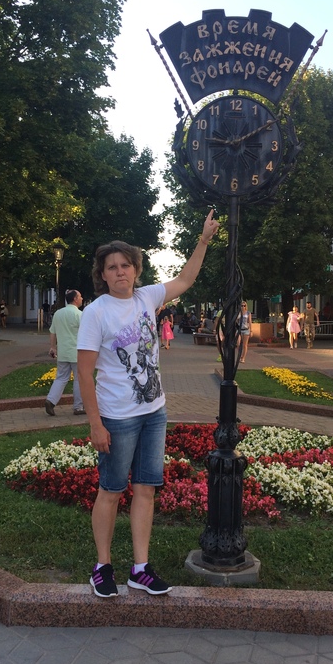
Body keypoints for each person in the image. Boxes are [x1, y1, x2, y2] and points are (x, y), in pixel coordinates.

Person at [77, 210, 219, 598]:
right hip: (117, 418)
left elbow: (185, 279)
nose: (120, 272)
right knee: (110, 491)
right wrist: (95, 424)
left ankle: (140, 569)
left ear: (136, 269)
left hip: (154, 413)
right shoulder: (95, 313)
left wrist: (203, 240)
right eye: (112, 267)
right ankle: (102, 567)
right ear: (103, 274)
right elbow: (84, 374)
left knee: (145, 490)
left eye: (125, 265)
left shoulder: (148, 297)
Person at [45, 289, 85, 416]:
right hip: (77, 353)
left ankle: (51, 400)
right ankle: (78, 407)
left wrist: (53, 347)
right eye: (80, 296)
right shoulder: (80, 315)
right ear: (75, 299)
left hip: (63, 352)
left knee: (61, 378)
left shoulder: (58, 314)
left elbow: (52, 332)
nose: (82, 298)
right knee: (79, 379)